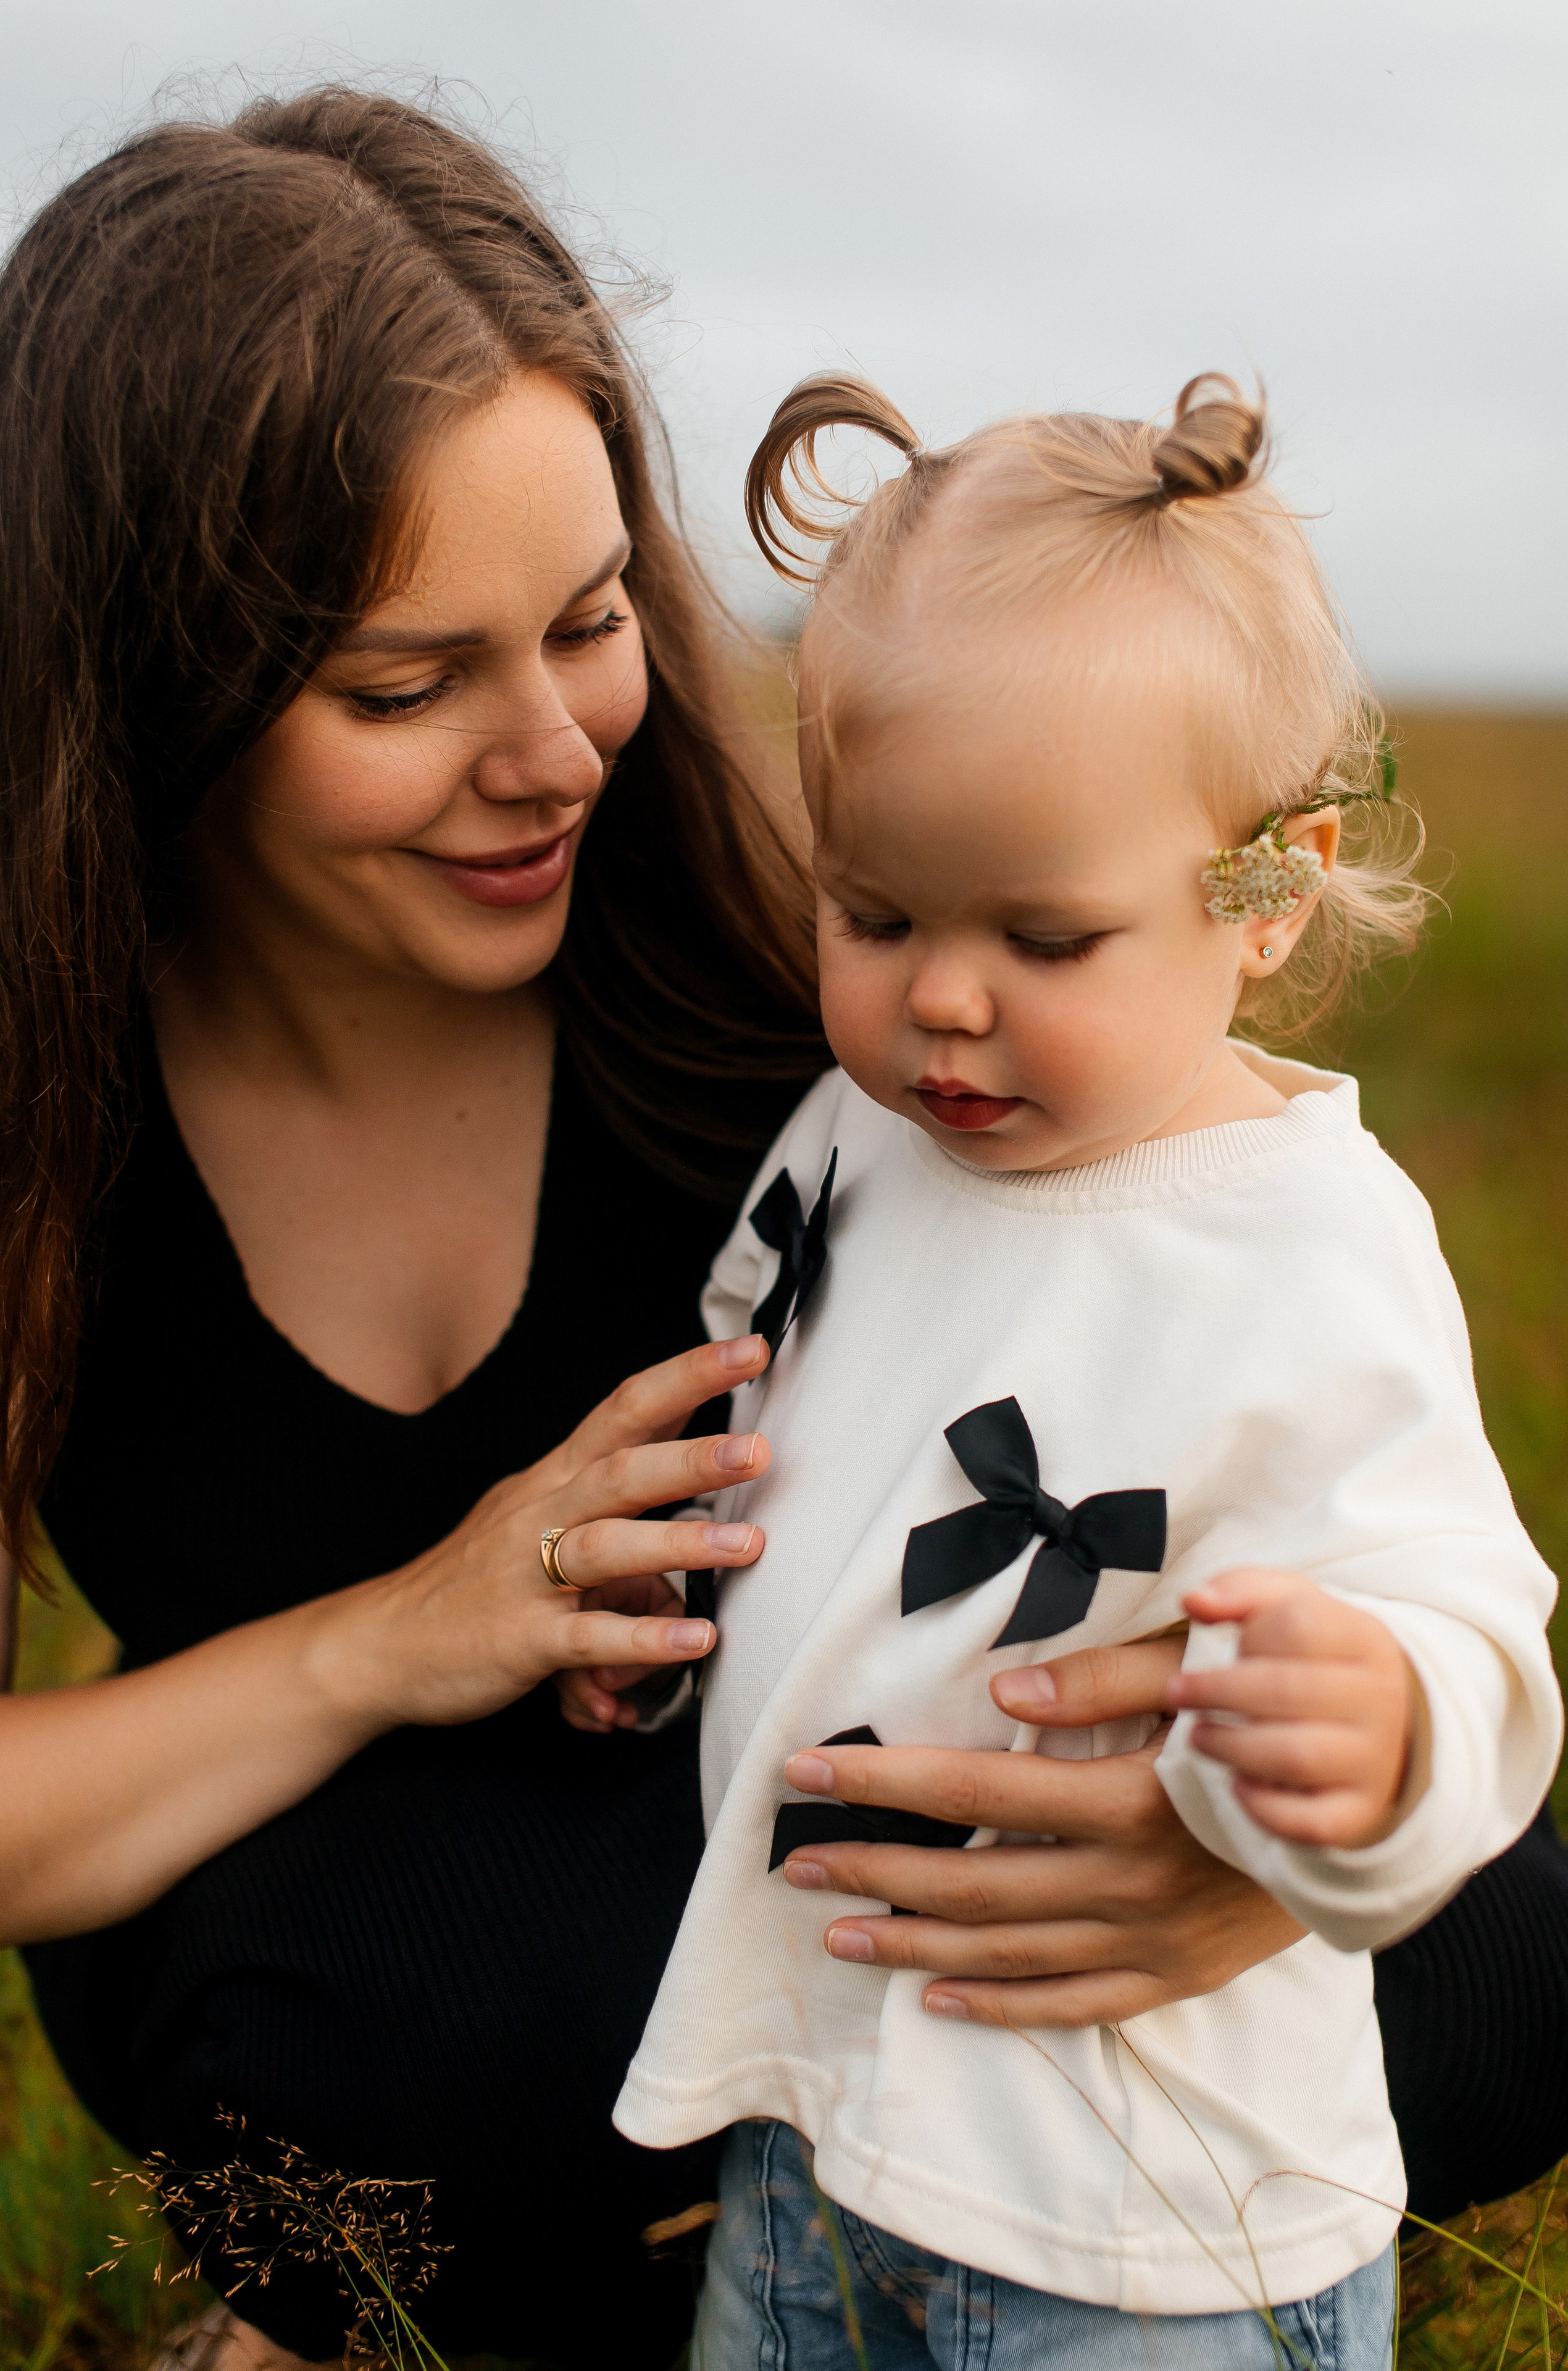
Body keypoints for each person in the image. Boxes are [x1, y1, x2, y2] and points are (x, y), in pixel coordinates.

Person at [0, 85, 1559, 2371]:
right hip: (328, 1854)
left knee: (1508, 1962)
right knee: (368, 2082)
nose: (559, 753)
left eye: (594, 621)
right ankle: (368, 2288)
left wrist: (1224, 1876)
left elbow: (1327, 1514)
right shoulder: (36, 1094)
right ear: (148, 686)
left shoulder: (833, 1020)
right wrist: (399, 1635)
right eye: (404, 687)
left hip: (813, 1817)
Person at [607, 371, 1562, 2369]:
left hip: (1145, 2211)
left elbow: (1459, 1606)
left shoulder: (1303, 1242)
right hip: (813, 2117)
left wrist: (1384, 1728)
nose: (943, 1000)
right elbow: (764, 1373)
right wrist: (675, 1595)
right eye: (876, 912)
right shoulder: (863, 1130)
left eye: (1046, 939)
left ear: (1265, 893)